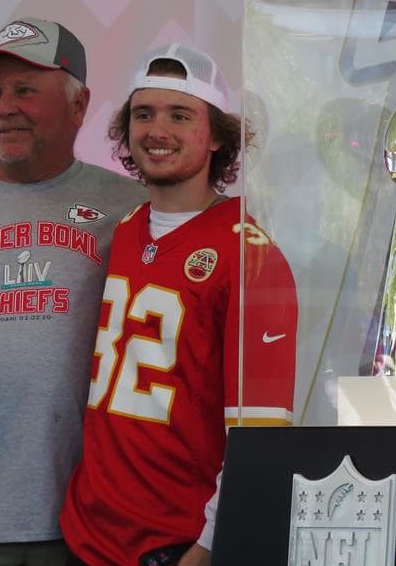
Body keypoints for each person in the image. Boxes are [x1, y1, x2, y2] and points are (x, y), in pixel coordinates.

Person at [0, 17, 146, 565]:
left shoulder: (132, 211)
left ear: (79, 104)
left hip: (93, 528)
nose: (3, 107)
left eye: (24, 90)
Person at [60, 43, 298, 566]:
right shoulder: (124, 230)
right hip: (87, 534)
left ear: (215, 136)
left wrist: (210, 545)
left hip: (173, 544)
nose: (156, 131)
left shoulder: (251, 256)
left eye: (179, 115)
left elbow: (259, 433)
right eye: (143, 114)